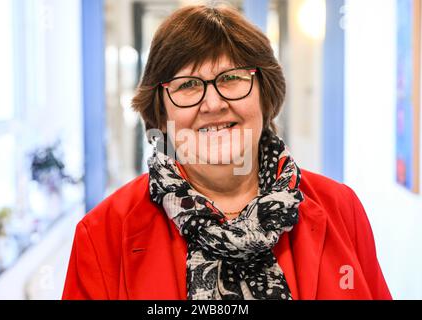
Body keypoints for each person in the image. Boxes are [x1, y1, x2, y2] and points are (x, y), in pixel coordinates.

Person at [62, 4, 391, 300]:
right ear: (161, 113)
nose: (214, 103)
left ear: (264, 95)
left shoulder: (342, 209)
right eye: (188, 85)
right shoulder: (102, 235)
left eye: (231, 78)